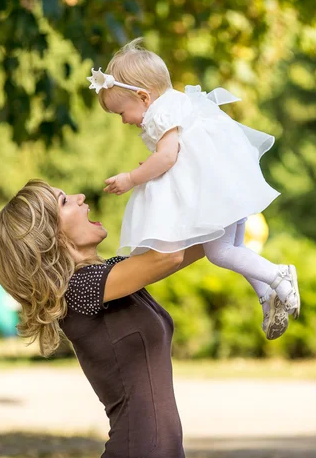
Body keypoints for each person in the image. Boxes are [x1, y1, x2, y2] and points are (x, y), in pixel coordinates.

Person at [0, 178, 205, 458]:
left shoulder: (109, 279)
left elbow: (201, 245)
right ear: (51, 237)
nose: (80, 198)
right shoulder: (81, 290)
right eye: (64, 202)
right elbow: (170, 254)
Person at [88, 38, 300, 340]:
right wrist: (155, 163)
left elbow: (167, 157)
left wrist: (133, 177)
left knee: (220, 252)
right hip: (227, 180)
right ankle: (268, 294)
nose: (124, 122)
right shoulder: (173, 104)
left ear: (143, 97)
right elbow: (177, 156)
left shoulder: (160, 114)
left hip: (215, 189)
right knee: (235, 249)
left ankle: (278, 275)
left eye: (122, 113)